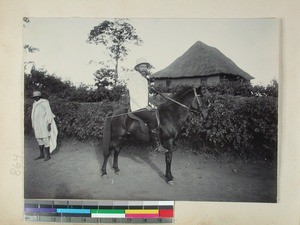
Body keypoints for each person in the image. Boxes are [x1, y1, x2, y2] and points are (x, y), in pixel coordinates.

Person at [127, 58, 168, 153]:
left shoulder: (144, 80)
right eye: (142, 66)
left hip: (144, 106)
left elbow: (145, 96)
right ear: (137, 68)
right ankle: (156, 146)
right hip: (137, 108)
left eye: (145, 67)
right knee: (152, 120)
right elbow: (133, 95)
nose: (144, 68)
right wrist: (144, 106)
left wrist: (151, 103)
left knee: (159, 115)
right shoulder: (133, 78)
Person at [31, 91, 58, 161]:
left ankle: (48, 155)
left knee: (45, 138)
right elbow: (33, 115)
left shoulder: (45, 102)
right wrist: (33, 125)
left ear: (40, 97)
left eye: (37, 97)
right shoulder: (34, 104)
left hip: (44, 123)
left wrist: (49, 123)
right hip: (36, 124)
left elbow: (49, 112)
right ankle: (41, 154)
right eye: (34, 97)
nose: (36, 98)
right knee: (39, 139)